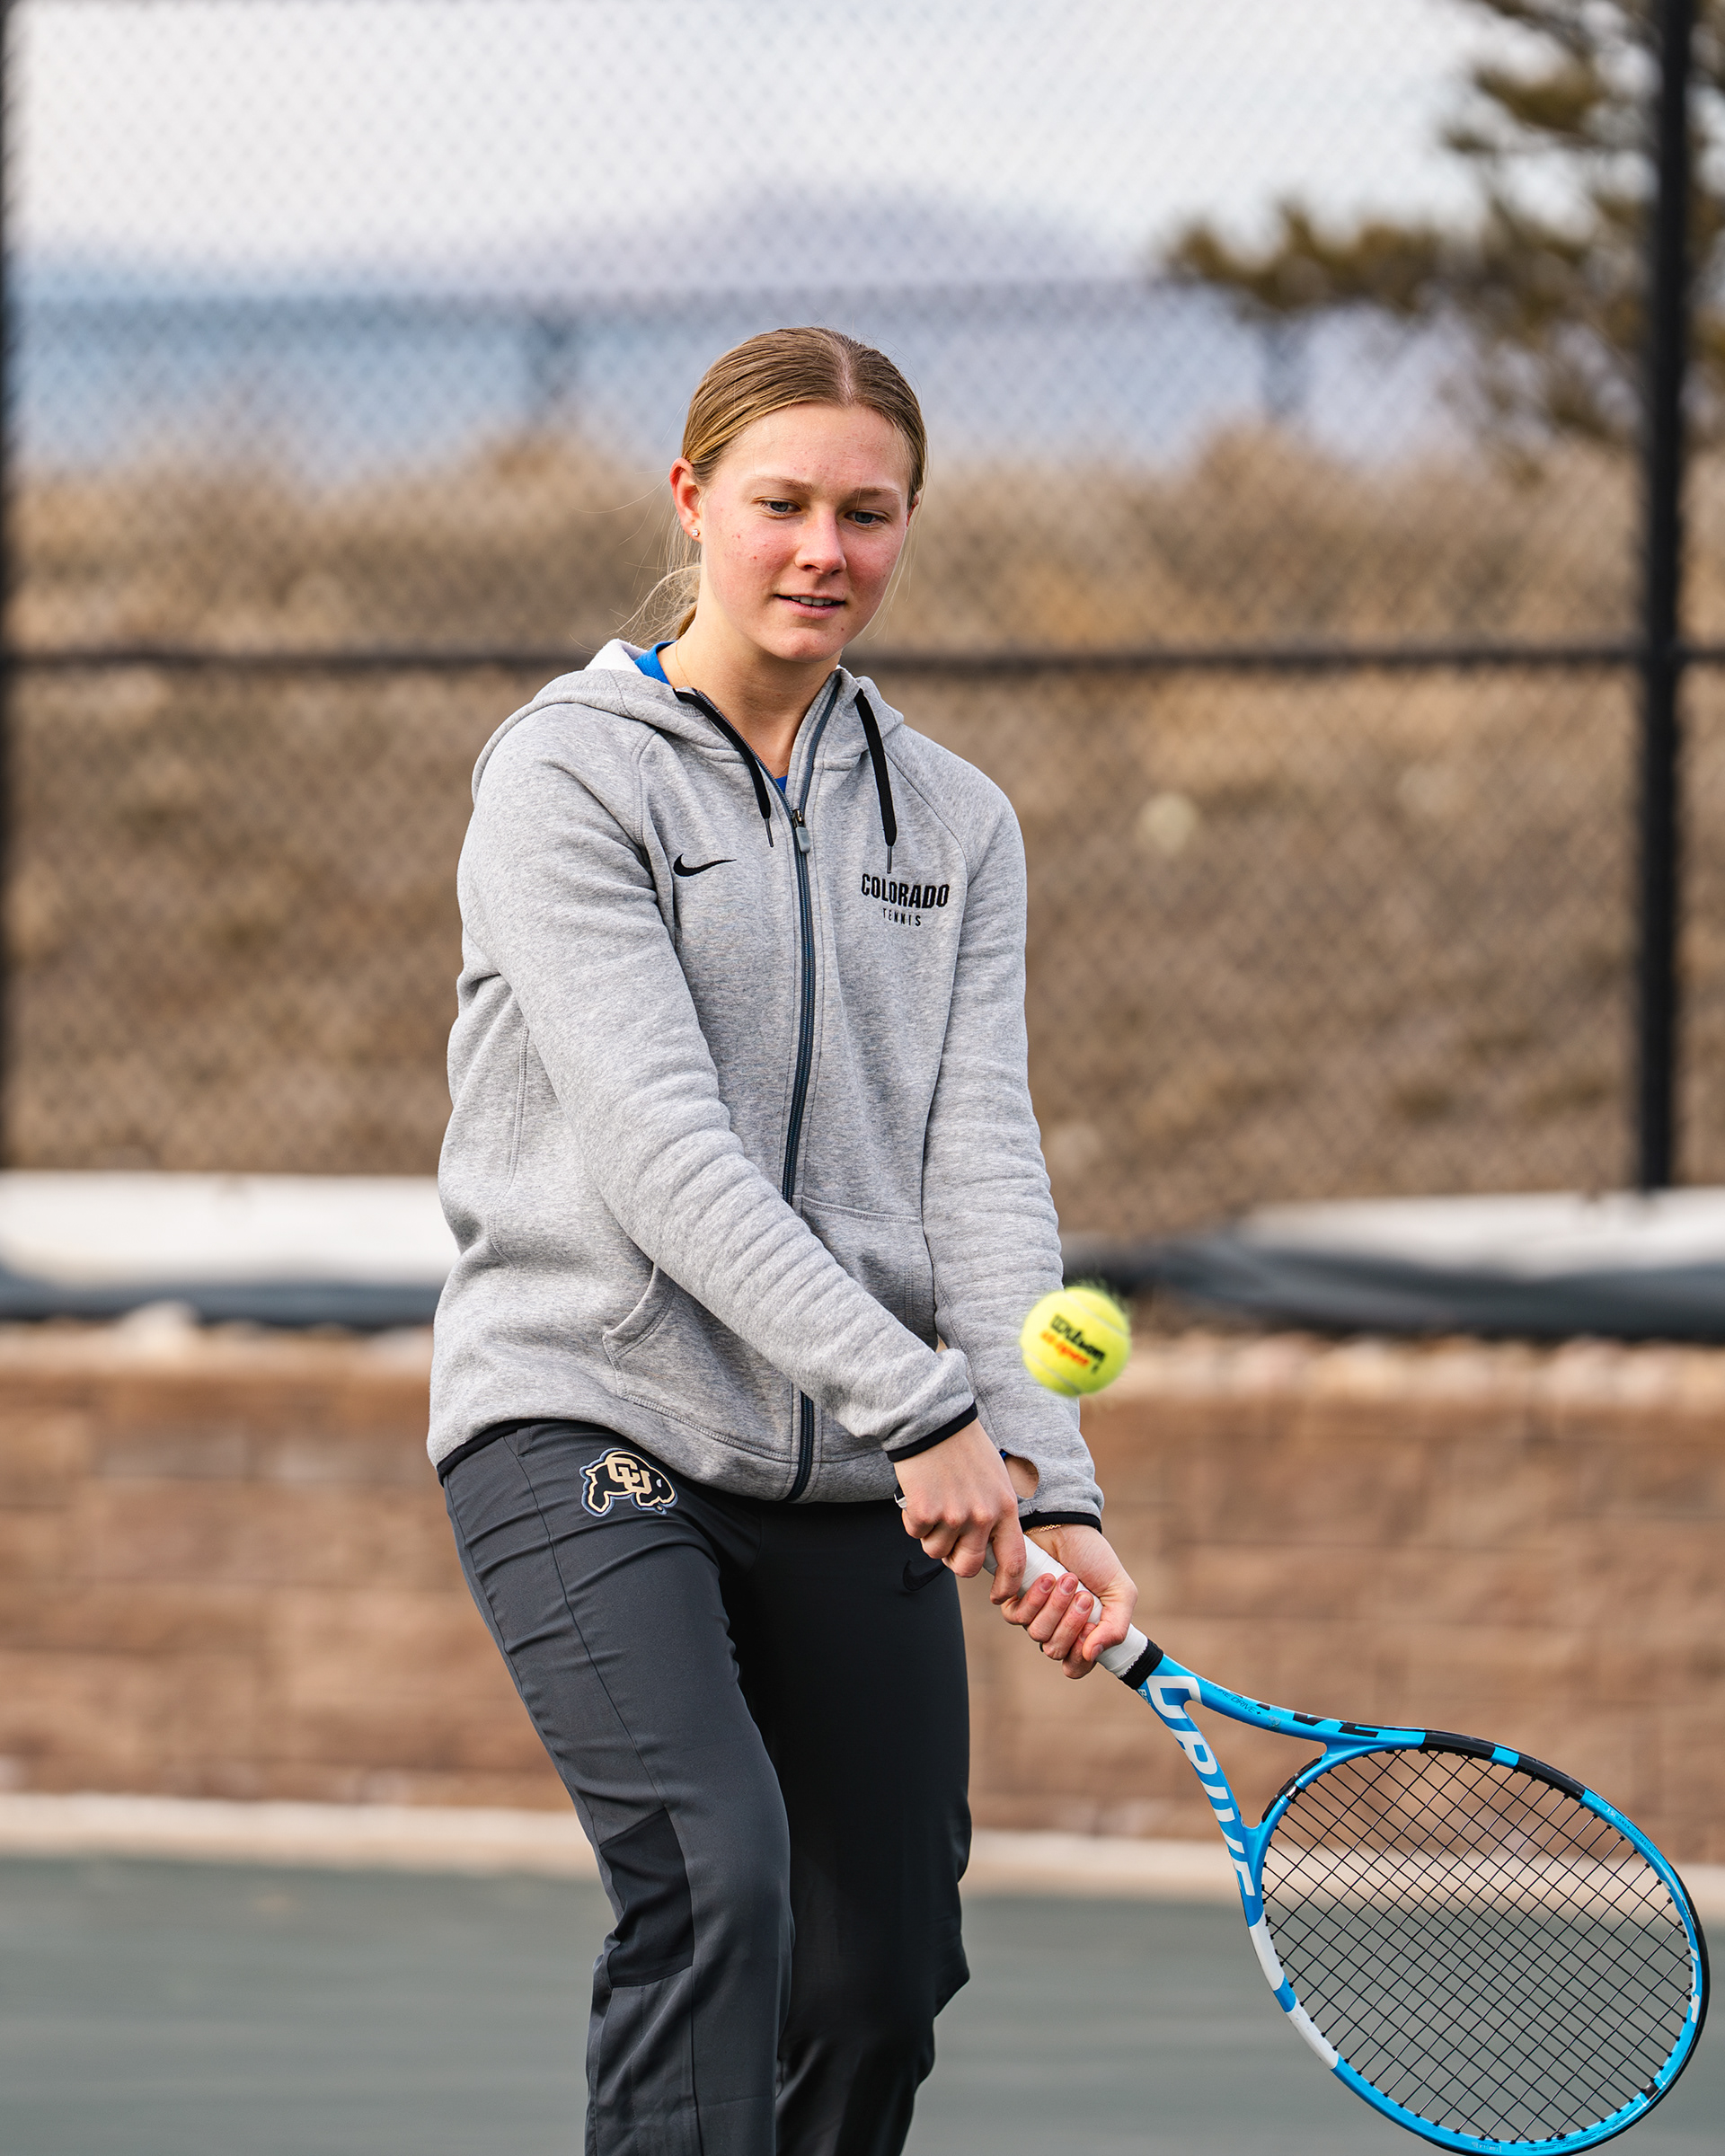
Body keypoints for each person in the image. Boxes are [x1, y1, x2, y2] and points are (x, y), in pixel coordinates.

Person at [430, 326, 1138, 2156]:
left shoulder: (958, 821)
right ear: (692, 502)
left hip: (848, 1467)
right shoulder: (566, 779)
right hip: (588, 1413)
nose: (825, 550)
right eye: (783, 504)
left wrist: (1047, 1474)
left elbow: (982, 1163)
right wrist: (929, 1412)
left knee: (877, 1983)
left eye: (868, 513)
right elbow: (662, 1151)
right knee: (715, 1870)